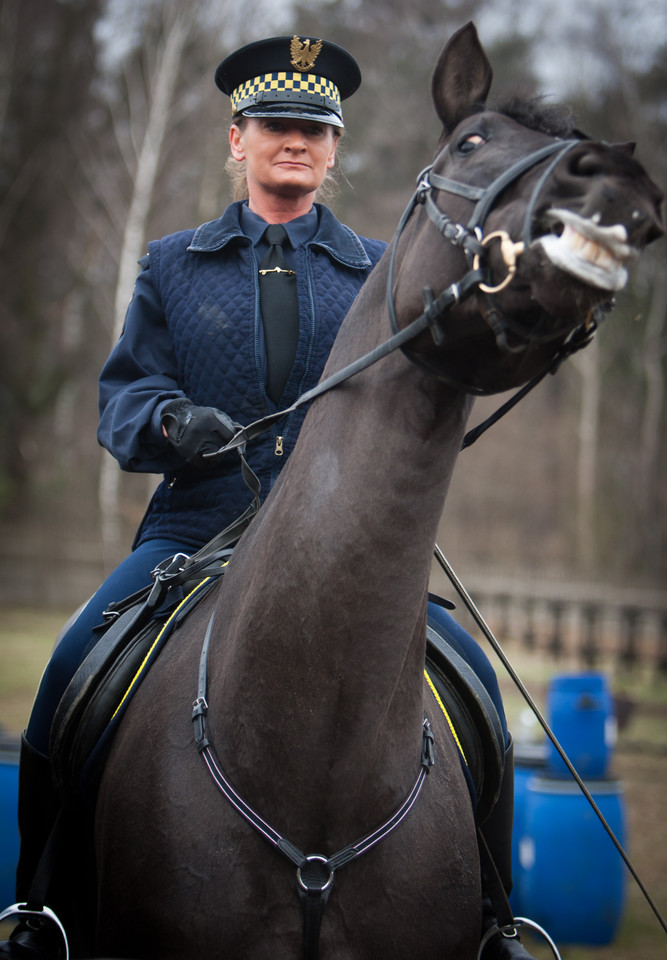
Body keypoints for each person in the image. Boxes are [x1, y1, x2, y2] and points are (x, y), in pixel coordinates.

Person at [1, 34, 535, 960]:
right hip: (193, 531)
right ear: (236, 141)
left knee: (477, 681)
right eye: (274, 125)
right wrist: (172, 426)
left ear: (334, 152)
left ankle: (496, 922)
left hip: (350, 550)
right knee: (72, 665)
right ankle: (40, 910)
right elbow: (124, 398)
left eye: (313, 130)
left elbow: (432, 379)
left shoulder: (382, 270)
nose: (294, 141)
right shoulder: (172, 265)